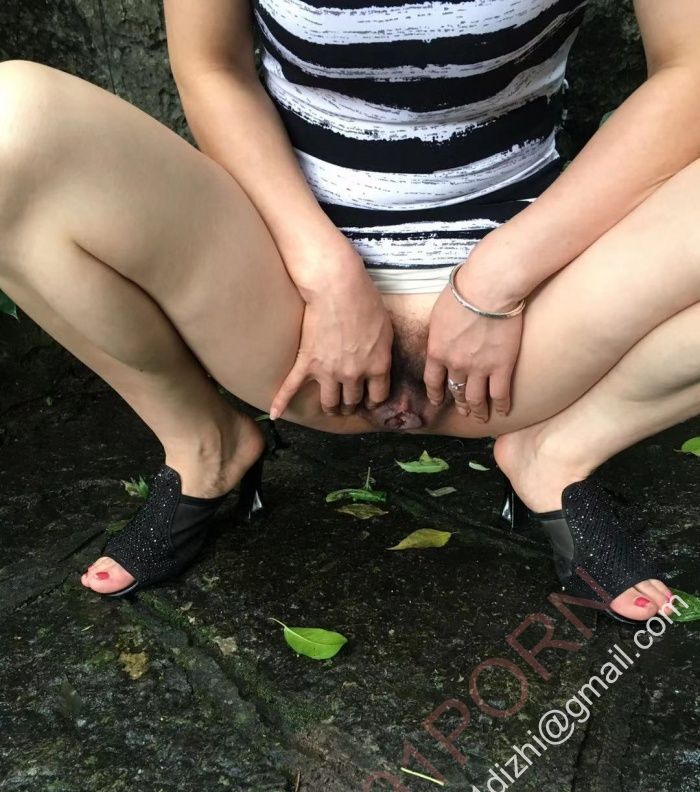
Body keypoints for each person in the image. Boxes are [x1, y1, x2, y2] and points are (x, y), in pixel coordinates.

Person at [0, 0, 698, 621]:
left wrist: (497, 282)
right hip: (283, 304)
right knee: (11, 119)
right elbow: (212, 66)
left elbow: (690, 71)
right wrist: (326, 274)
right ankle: (205, 445)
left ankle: (559, 451)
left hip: (536, 327)